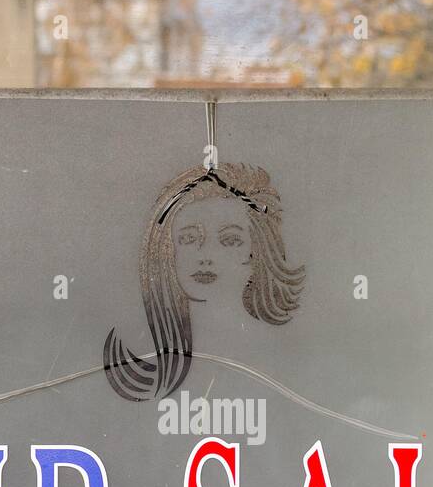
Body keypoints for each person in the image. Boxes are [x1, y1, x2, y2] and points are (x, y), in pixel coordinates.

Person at [103, 163, 306, 401]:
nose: (205, 255)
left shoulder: (284, 359)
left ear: (257, 253)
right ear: (168, 251)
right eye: (189, 238)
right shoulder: (144, 368)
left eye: (230, 240)